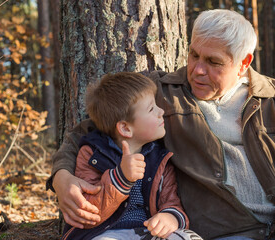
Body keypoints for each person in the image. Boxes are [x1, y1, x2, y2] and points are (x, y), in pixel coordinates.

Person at [48, 9, 275, 240]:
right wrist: (62, 176)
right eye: (194, 55)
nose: (197, 70)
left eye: (213, 62)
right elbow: (88, 131)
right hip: (228, 231)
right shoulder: (160, 93)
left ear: (244, 63)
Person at [61, 72, 200, 240]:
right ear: (126, 128)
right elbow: (89, 212)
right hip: (104, 233)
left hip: (147, 232)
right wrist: (121, 178)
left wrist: (170, 216)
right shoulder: (92, 154)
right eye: (151, 109)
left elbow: (170, 199)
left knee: (185, 238)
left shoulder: (158, 157)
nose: (161, 111)